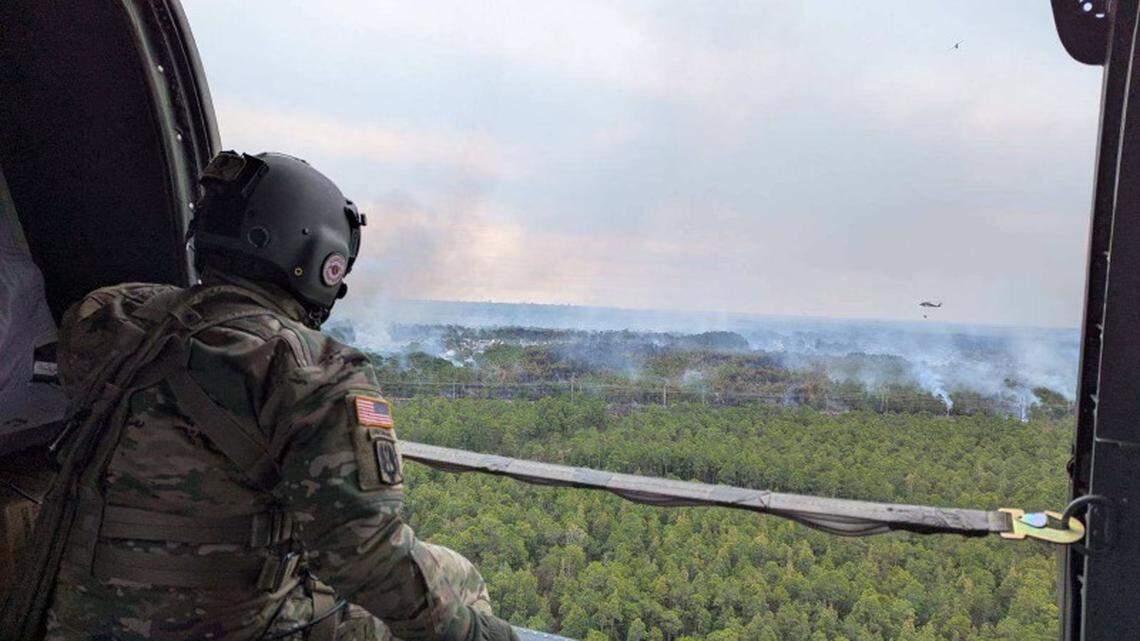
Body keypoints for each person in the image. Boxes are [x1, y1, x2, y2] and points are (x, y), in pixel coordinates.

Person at [31, 151, 517, 641]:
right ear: (319, 261)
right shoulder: (313, 370)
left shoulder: (106, 320)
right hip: (227, 627)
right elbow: (367, 556)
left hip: (72, 619)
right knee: (457, 577)